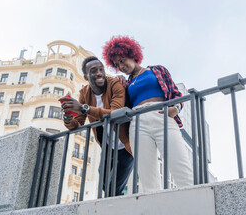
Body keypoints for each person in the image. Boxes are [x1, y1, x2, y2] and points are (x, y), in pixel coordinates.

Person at [102, 36, 193, 193]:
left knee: (181, 168)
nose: (121, 66)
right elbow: (119, 104)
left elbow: (176, 94)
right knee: (147, 178)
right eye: (117, 65)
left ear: (132, 54)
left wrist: (176, 108)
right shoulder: (126, 83)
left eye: (122, 60)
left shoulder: (157, 70)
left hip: (163, 115)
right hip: (138, 123)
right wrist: (119, 84)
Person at [59, 56, 134, 196]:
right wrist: (68, 119)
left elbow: (114, 112)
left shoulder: (115, 84)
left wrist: (84, 108)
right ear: (86, 77)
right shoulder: (84, 93)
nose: (99, 73)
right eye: (93, 71)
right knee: (105, 185)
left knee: (114, 188)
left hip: (126, 144)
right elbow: (78, 122)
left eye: (101, 69)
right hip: (108, 146)